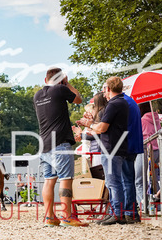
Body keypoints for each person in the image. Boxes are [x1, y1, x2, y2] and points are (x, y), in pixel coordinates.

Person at [33, 67, 84, 227]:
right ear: (61, 80)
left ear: (45, 80)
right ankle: (67, 216)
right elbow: (78, 99)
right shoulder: (61, 89)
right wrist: (67, 84)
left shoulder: (37, 95)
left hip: (44, 144)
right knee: (65, 179)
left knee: (49, 181)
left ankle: (49, 217)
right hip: (60, 143)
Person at [86, 77, 130, 225]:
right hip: (117, 147)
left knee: (113, 183)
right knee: (114, 182)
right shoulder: (122, 102)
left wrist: (90, 124)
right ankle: (113, 212)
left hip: (111, 148)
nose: (103, 93)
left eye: (104, 89)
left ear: (109, 89)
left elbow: (102, 128)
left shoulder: (114, 104)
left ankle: (117, 213)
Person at [120, 91, 144, 222]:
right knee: (128, 179)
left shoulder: (123, 102)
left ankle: (130, 212)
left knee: (127, 180)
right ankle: (130, 211)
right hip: (132, 145)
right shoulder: (130, 102)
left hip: (126, 146)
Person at [137, 103, 161, 207]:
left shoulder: (142, 121)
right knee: (154, 180)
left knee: (139, 181)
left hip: (145, 151)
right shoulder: (156, 120)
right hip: (156, 151)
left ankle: (144, 206)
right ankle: (158, 205)